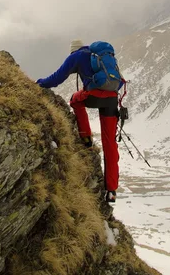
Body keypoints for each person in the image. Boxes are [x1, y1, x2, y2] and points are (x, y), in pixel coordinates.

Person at [36, 39, 120, 203]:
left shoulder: (76, 56)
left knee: (75, 101)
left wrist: (40, 83)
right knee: (110, 144)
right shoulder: (100, 56)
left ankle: (86, 137)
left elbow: (56, 78)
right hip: (112, 99)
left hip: (93, 96)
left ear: (72, 51)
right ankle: (112, 190)